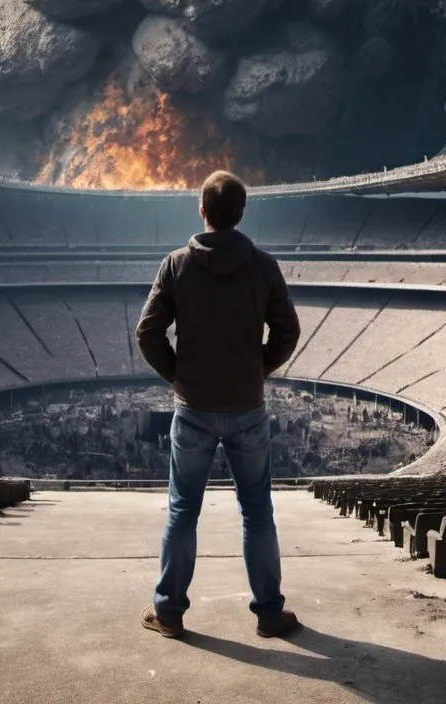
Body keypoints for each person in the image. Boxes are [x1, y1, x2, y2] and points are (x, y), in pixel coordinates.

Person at [136, 169, 302, 639]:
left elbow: (147, 332)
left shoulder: (176, 264)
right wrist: (257, 371)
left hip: (192, 409)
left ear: (202, 211)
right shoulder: (264, 266)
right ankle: (269, 614)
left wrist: (178, 376)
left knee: (182, 511)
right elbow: (287, 332)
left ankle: (168, 613)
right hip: (248, 409)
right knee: (257, 512)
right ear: (241, 213)